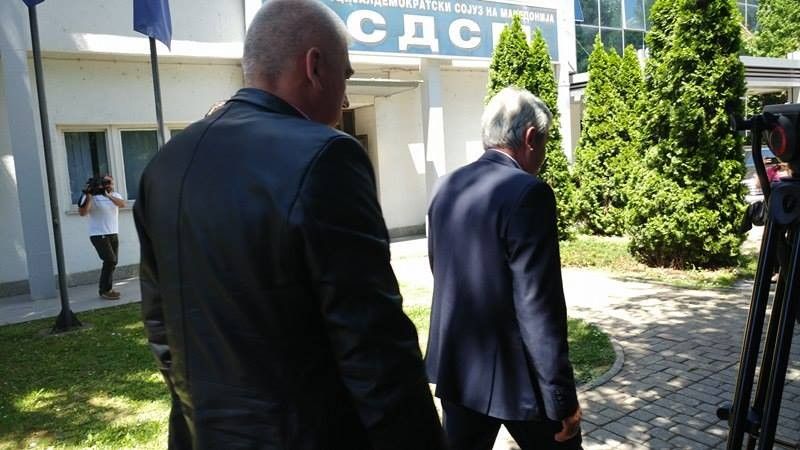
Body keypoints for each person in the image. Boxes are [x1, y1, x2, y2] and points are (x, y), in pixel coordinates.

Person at [133, 0, 444, 448]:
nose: (346, 99)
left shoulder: (165, 164)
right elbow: (373, 346)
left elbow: (159, 324)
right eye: (346, 76)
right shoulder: (326, 157)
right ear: (315, 67)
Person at [426, 86, 583, 450]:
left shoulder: (446, 186)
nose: (544, 153)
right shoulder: (529, 192)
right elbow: (538, 305)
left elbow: (440, 268)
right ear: (530, 137)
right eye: (545, 142)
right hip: (521, 379)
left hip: (461, 369)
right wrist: (562, 398)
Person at [78, 174, 126, 300]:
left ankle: (107, 289)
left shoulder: (115, 195)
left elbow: (122, 204)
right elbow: (83, 213)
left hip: (113, 233)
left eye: (110, 182)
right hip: (98, 234)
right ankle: (105, 290)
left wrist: (108, 196)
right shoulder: (90, 197)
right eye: (106, 182)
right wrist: (89, 196)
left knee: (113, 261)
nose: (109, 185)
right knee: (110, 260)